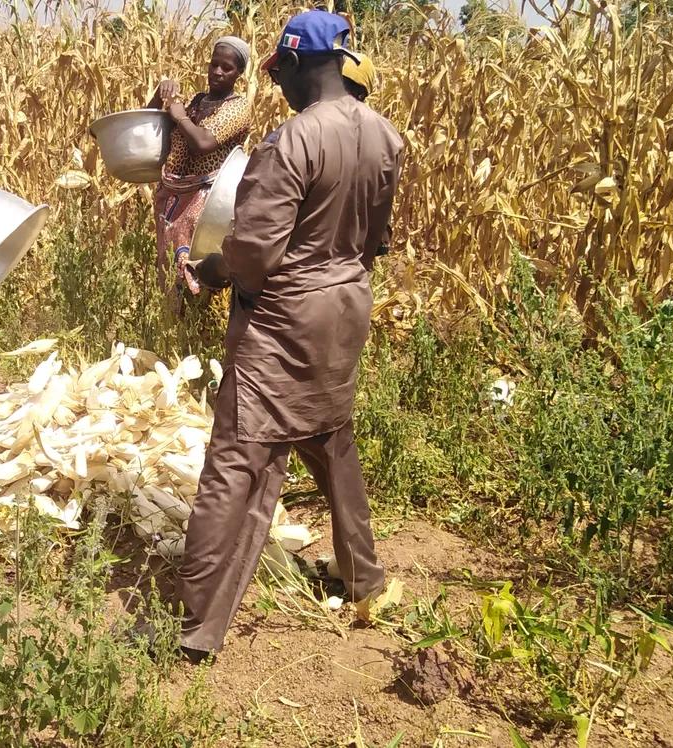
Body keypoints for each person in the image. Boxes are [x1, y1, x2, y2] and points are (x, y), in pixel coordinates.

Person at [174, 11, 405, 661]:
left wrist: (211, 270)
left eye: (282, 74)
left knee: (240, 465)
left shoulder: (291, 142)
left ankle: (196, 626)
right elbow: (376, 241)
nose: (278, 88)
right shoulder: (385, 138)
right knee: (330, 437)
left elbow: (252, 255)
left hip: (282, 323)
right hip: (346, 310)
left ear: (303, 64)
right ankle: (363, 576)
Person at [146, 36, 253, 302]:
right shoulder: (196, 102)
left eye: (226, 68)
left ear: (239, 73)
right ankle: (173, 329)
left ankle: (197, 332)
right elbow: (150, 128)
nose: (217, 72)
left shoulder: (237, 108)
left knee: (198, 273)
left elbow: (203, 143)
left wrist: (180, 115)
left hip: (206, 206)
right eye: (214, 64)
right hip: (174, 199)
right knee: (170, 273)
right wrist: (161, 97)